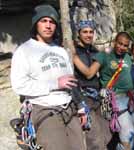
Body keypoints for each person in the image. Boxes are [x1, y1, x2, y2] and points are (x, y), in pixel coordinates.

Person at [10, 4, 86, 150]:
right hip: (45, 110)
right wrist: (55, 84)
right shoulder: (24, 51)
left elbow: (71, 81)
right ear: (35, 24)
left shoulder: (61, 51)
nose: (48, 25)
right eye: (43, 21)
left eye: (52, 22)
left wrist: (81, 106)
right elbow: (19, 85)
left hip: (69, 108)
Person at [73, 32, 134, 150]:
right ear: (115, 42)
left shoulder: (127, 57)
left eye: (125, 45)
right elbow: (89, 74)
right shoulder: (104, 55)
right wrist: (73, 57)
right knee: (128, 136)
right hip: (116, 100)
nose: (121, 47)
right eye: (119, 43)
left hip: (131, 99)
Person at [72, 20, 112, 150]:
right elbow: (83, 75)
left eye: (91, 32)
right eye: (85, 32)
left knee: (107, 134)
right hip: (84, 97)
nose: (88, 35)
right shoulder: (74, 52)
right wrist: (79, 101)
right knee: (95, 139)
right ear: (79, 34)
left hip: (97, 97)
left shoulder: (95, 51)